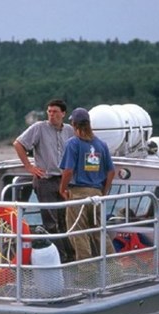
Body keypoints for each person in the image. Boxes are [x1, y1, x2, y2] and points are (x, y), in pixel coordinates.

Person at [13, 99, 76, 263]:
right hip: (45, 180)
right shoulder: (39, 128)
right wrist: (29, 167)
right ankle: (60, 258)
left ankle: (70, 255)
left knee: (65, 220)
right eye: (49, 111)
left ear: (63, 113)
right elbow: (18, 144)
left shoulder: (69, 130)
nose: (52, 115)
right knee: (50, 222)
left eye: (55, 112)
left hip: (64, 180)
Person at [59, 107, 116, 261]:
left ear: (74, 124)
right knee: (99, 232)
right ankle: (114, 270)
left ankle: (86, 272)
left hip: (78, 194)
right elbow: (111, 172)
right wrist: (103, 191)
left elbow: (68, 170)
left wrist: (62, 189)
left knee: (79, 233)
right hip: (97, 194)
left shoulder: (73, 143)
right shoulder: (101, 145)